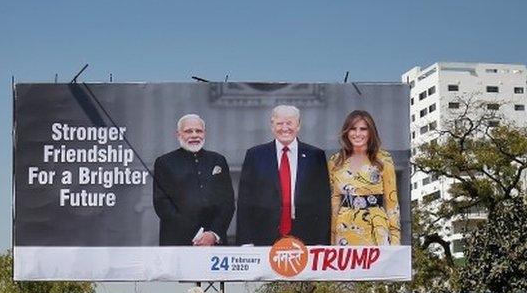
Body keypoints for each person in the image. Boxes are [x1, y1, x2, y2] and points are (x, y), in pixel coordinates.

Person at [236, 104, 332, 246]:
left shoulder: (315, 155)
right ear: (272, 125)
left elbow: (323, 203)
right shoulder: (255, 155)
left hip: (307, 236)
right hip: (264, 236)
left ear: (298, 125)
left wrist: (322, 242)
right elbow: (245, 201)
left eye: (289, 123)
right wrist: (246, 241)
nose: (284, 128)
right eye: (279, 123)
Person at [153, 113, 235, 246]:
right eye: (188, 131)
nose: (194, 135)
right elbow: (162, 205)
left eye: (198, 131)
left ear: (204, 133)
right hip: (177, 242)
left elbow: (227, 202)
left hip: (213, 242)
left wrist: (213, 234)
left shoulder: (218, 160)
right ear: (178, 134)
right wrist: (195, 234)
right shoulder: (164, 162)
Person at [328, 110, 400, 245]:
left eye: (363, 129)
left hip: (376, 228)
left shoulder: (384, 159)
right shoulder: (335, 161)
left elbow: (392, 203)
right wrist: (331, 240)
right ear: (346, 132)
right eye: (353, 129)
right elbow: (334, 203)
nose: (357, 134)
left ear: (370, 132)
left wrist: (395, 240)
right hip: (345, 229)